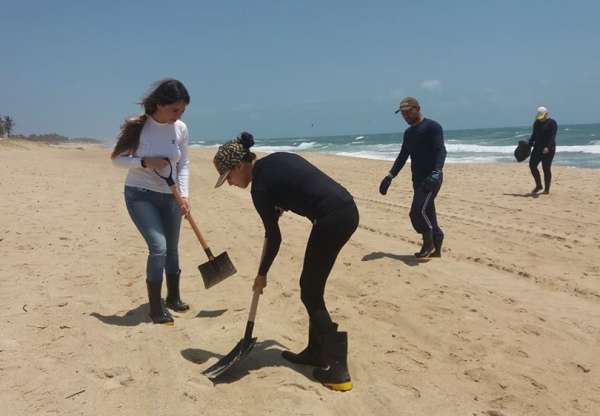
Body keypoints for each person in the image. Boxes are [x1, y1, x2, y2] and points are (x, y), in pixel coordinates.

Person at [213, 133, 359, 392]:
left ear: (239, 165)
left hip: (331, 219)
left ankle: (338, 369)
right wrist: (281, 204)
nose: (230, 184)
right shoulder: (275, 162)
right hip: (346, 209)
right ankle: (316, 352)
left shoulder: (259, 188)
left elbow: (274, 236)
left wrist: (262, 274)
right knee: (312, 288)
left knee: (310, 291)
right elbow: (299, 186)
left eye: (228, 178)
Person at [111, 79, 191, 325]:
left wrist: (185, 196)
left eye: (182, 111)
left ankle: (173, 298)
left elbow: (183, 163)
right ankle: (156, 309)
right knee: (159, 247)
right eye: (174, 110)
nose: (178, 116)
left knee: (173, 249)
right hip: (140, 194)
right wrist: (145, 162)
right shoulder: (138, 127)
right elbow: (117, 159)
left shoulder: (180, 129)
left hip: (171, 195)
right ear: (159, 104)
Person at [379, 97, 447, 259]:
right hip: (417, 179)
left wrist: (437, 171)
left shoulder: (432, 127)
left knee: (416, 211)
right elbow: (403, 156)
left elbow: (441, 151)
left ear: (417, 108)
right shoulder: (409, 133)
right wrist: (390, 175)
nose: (405, 116)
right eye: (403, 114)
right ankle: (436, 244)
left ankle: (428, 243)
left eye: (408, 112)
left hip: (432, 178)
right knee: (427, 211)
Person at [528, 106, 557, 194]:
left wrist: (547, 147)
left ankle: (546, 189)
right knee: (532, 166)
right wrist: (530, 142)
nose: (540, 119)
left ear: (546, 114)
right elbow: (534, 135)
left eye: (542, 116)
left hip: (549, 149)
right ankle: (539, 185)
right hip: (537, 148)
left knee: (546, 168)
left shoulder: (552, 123)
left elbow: (552, 136)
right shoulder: (536, 123)